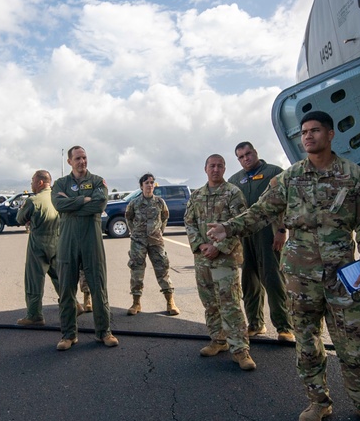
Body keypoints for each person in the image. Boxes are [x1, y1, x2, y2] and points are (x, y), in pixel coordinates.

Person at [207, 110, 360, 421]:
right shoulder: (289, 178)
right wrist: (229, 228)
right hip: (299, 275)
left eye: (315, 130)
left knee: (354, 341)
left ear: (331, 134)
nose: (308, 136)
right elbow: (261, 211)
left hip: (341, 274)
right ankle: (317, 401)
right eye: (304, 132)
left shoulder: (354, 177)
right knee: (306, 341)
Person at [185, 155, 254, 370]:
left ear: (224, 168)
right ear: (205, 168)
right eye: (212, 166)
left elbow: (239, 224)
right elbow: (189, 223)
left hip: (225, 259)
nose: (216, 169)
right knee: (210, 303)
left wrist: (219, 247)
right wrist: (201, 245)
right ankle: (218, 340)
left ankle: (241, 350)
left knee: (230, 303)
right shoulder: (197, 195)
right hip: (203, 259)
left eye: (220, 166)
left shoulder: (233, 193)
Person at [51, 146, 117, 350]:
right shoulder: (61, 183)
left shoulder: (97, 181)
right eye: (78, 158)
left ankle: (104, 332)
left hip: (91, 240)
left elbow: (99, 205)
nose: (82, 161)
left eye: (85, 157)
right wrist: (83, 200)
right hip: (68, 241)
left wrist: (73, 204)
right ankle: (68, 335)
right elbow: (59, 205)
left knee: (98, 287)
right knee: (66, 289)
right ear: (70, 161)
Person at [230, 142, 293, 342]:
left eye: (248, 154)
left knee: (273, 278)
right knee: (249, 281)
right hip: (245, 236)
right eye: (240, 157)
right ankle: (256, 324)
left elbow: (288, 203)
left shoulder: (274, 173)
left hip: (269, 232)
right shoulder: (235, 180)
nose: (245, 158)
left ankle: (284, 327)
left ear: (255, 152)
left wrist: (282, 230)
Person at [125, 173, 179, 317]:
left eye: (152, 182)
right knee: (136, 271)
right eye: (147, 183)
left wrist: (159, 232)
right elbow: (129, 218)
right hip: (138, 242)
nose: (150, 185)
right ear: (141, 186)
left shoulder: (160, 202)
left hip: (156, 241)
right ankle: (136, 302)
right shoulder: (134, 203)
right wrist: (135, 232)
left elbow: (164, 217)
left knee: (163, 270)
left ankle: (170, 302)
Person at [16, 170, 59, 326]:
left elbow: (20, 218)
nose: (32, 184)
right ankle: (73, 305)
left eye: (33, 181)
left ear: (40, 182)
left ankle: (34, 315)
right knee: (59, 277)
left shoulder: (33, 201)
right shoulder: (58, 198)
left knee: (34, 279)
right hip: (58, 241)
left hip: (39, 243)